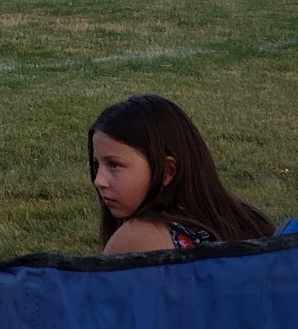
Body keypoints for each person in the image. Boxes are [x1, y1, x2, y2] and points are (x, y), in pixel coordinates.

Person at [89, 93, 272, 252]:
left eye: (114, 165)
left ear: (167, 171)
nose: (99, 181)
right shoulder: (247, 219)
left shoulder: (137, 239)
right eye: (97, 165)